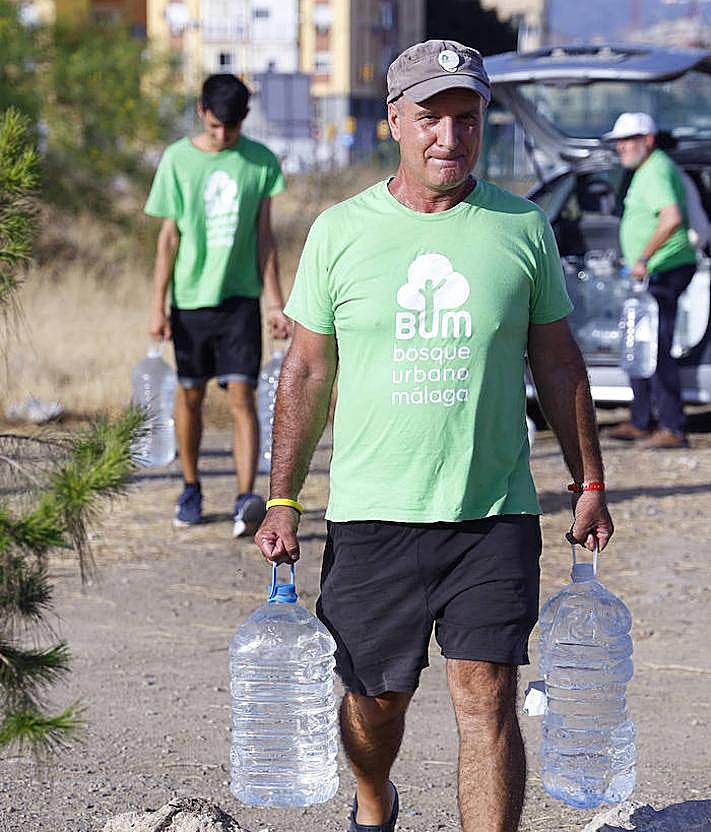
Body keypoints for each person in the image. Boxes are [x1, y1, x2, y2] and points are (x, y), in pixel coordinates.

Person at [256, 40, 614, 832]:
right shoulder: (340, 232)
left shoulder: (521, 227)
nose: (449, 137)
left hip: (491, 512)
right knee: (375, 700)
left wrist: (587, 481)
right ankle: (374, 798)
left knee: (486, 696)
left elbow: (557, 361)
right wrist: (282, 497)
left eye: (466, 118)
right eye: (429, 118)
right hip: (372, 512)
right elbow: (306, 372)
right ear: (393, 121)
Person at [145, 74, 290, 535]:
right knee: (190, 394)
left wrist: (275, 304)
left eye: (232, 127)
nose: (223, 135)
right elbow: (168, 239)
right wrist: (157, 306)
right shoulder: (177, 159)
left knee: (242, 395)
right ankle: (190, 488)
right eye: (214, 126)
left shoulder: (260, 161)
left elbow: (265, 239)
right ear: (201, 111)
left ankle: (246, 498)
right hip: (190, 301)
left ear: (244, 119)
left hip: (241, 300)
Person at [603, 112, 697, 449]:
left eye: (628, 140)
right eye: (618, 142)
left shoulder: (655, 170)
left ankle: (673, 427)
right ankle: (641, 420)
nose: (621, 147)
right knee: (641, 343)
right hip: (653, 272)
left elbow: (671, 218)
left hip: (663, 270)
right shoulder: (647, 170)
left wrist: (643, 258)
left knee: (655, 347)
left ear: (648, 140)